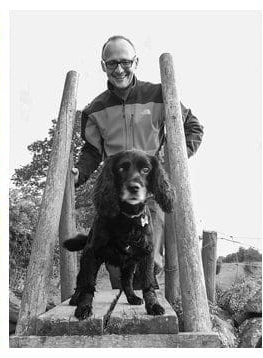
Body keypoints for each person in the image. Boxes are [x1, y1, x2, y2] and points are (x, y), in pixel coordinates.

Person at [72, 35, 204, 288]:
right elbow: (91, 151)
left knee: (148, 260)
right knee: (116, 265)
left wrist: (172, 159)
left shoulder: (159, 94)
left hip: (149, 191)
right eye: (111, 63)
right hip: (113, 194)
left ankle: (152, 310)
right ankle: (125, 317)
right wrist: (79, 173)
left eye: (125, 62)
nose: (119, 69)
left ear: (136, 61)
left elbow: (194, 128)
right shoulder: (94, 110)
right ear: (103, 65)